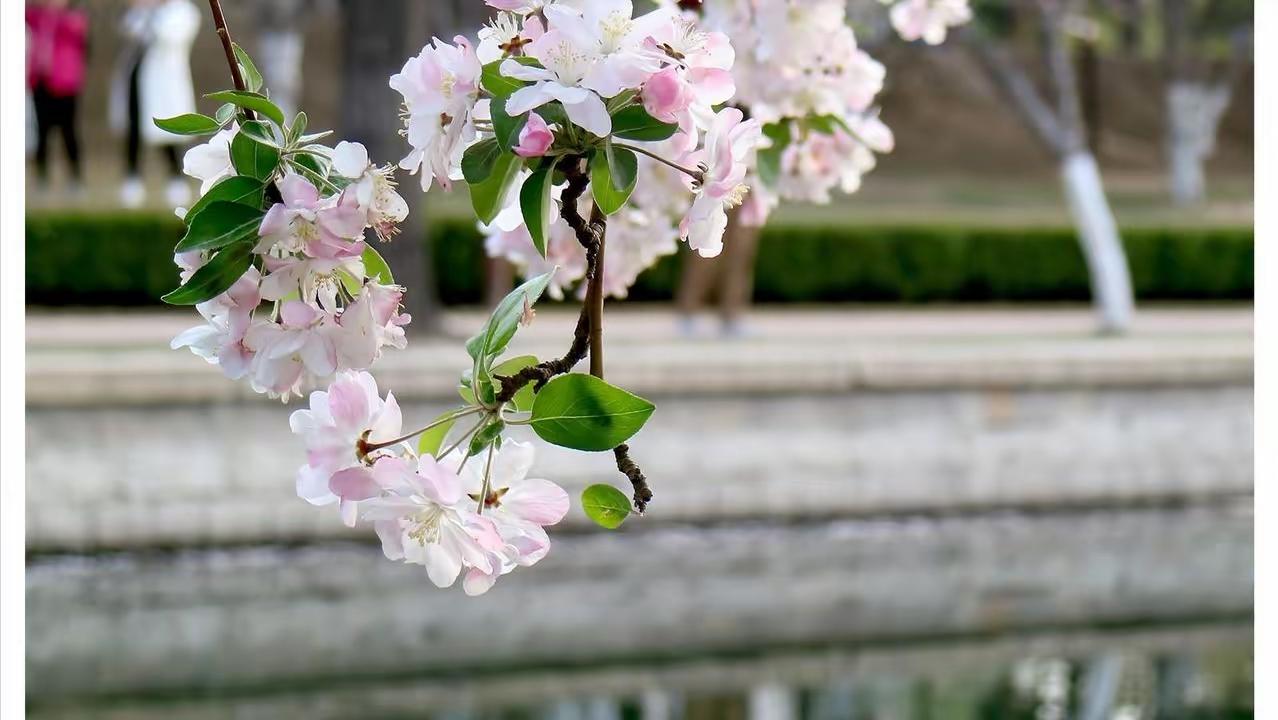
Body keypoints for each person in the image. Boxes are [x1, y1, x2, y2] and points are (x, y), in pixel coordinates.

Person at [110, 0, 200, 209]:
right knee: (133, 129)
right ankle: (132, 178)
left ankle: (176, 178)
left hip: (165, 82)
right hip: (136, 78)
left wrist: (152, 11)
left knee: (168, 132)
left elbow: (168, 36)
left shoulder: (183, 10)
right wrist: (142, 9)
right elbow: (129, 30)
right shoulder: (143, 8)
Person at [27, 0, 89, 195]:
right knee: (41, 133)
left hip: (64, 84)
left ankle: (75, 177)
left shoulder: (73, 20)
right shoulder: (35, 18)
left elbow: (79, 33)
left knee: (68, 131)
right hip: (41, 82)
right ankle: (41, 177)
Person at [675, 209, 763, 337]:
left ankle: (732, 314)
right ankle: (688, 312)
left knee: (741, 248)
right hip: (716, 192)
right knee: (706, 247)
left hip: (749, 192)